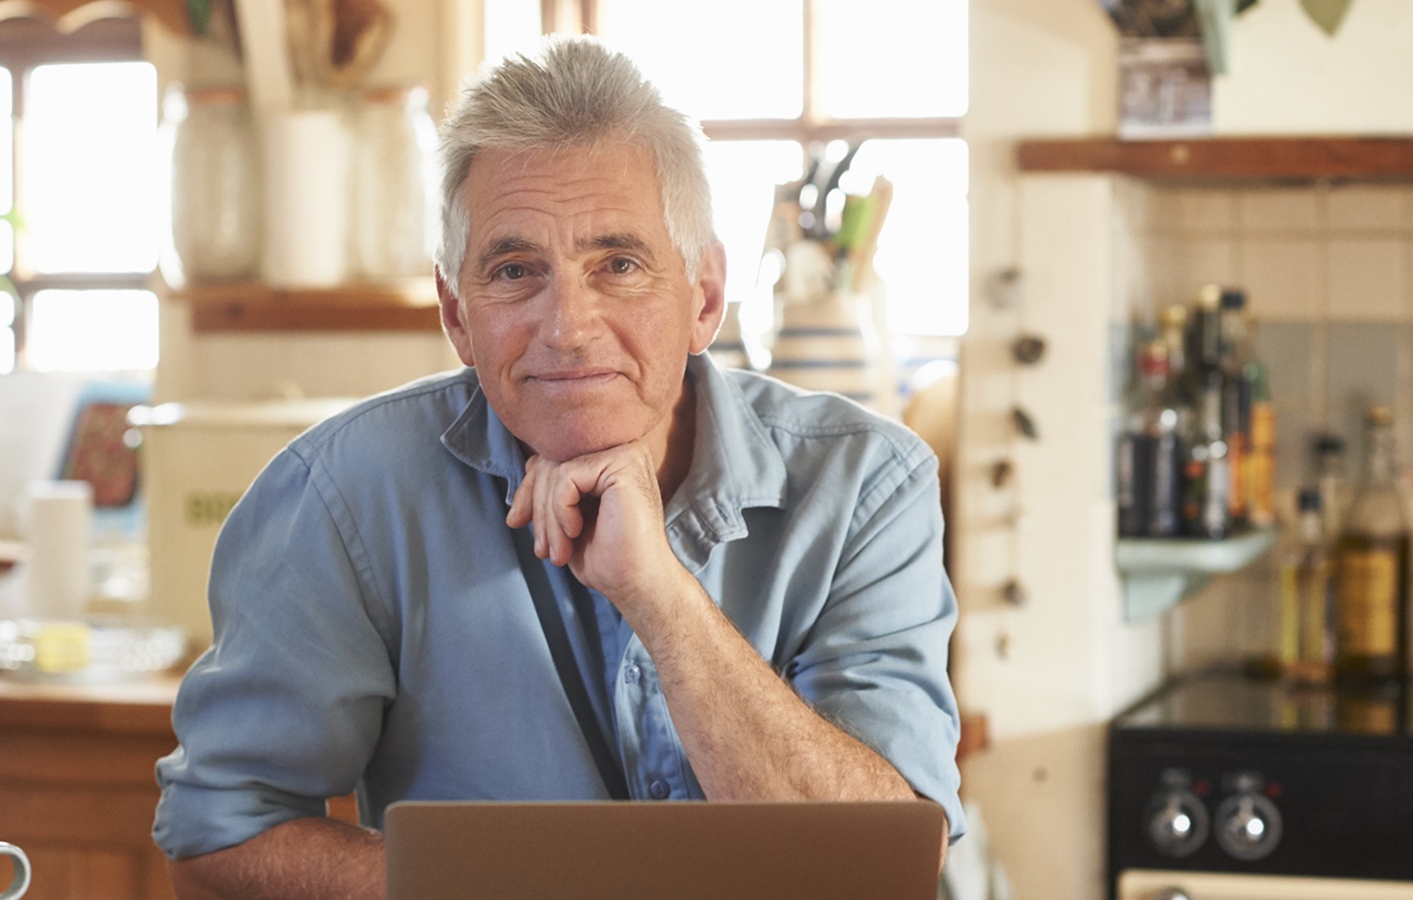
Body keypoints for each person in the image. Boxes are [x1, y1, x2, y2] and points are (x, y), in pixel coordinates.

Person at [153, 35, 964, 899]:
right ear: (456, 315)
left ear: (704, 298)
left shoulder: (869, 485)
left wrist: (660, 596)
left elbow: (885, 867)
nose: (568, 326)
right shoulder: (342, 495)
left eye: (617, 264)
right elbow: (217, 835)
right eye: (515, 271)